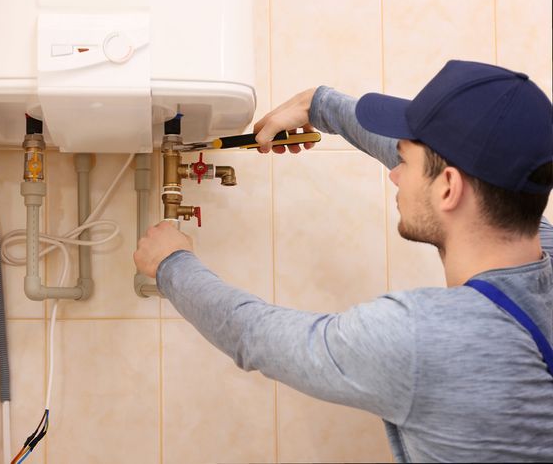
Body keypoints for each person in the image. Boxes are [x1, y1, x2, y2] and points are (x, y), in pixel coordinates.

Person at [133, 60, 553, 462]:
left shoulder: (422, 336)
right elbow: (451, 174)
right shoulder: (532, 232)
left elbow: (254, 335)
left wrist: (172, 264)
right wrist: (319, 105)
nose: (394, 173)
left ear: (448, 189)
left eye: (405, 161)